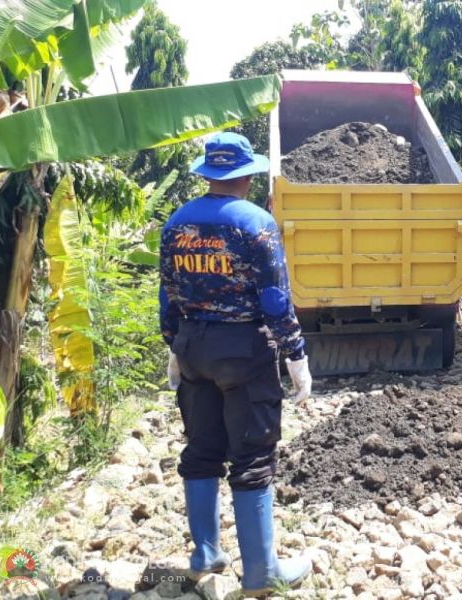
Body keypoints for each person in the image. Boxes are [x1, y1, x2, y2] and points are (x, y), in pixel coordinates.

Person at [159, 132, 314, 595]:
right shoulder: (256, 224)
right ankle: (262, 573)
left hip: (192, 349)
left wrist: (174, 344)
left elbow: (168, 296)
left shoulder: (176, 223)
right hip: (243, 353)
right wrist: (296, 355)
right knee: (252, 456)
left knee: (202, 450)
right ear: (246, 175)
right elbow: (273, 300)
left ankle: (205, 552)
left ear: (207, 174)